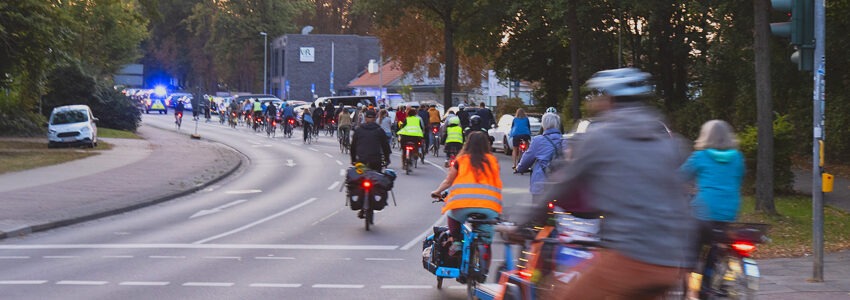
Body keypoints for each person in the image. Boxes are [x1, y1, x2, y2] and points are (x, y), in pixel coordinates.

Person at [519, 67, 697, 299]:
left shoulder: (602, 137)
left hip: (630, 257)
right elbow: (684, 199)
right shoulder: (670, 142)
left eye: (600, 96)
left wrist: (523, 219)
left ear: (610, 99)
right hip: (671, 262)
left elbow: (564, 182)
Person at [679, 119, 745, 299]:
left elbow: (680, 177)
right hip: (728, 213)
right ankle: (711, 283)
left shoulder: (700, 157)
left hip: (703, 212)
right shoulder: (738, 158)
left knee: (690, 253)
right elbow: (738, 179)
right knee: (716, 247)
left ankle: (691, 294)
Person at [430, 131, 502, 256]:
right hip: (489, 207)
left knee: (452, 216)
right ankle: (484, 270)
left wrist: (437, 192)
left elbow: (448, 181)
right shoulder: (493, 161)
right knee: (486, 242)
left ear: (467, 144)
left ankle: (457, 241)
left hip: (462, 205)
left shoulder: (461, 160)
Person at [515, 112, 566, 205]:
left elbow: (527, 159)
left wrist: (519, 168)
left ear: (543, 125)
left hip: (541, 186)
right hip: (560, 186)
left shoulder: (538, 140)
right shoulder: (564, 141)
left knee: (537, 214)